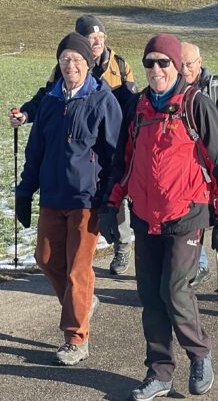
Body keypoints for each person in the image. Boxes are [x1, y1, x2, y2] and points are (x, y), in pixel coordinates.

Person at [98, 34, 218, 400]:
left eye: (164, 62)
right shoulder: (138, 107)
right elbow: (122, 162)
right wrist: (110, 206)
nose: (156, 69)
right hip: (146, 217)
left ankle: (199, 354)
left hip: (186, 214)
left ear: (177, 66)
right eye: (150, 63)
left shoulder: (196, 104)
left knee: (175, 290)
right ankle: (159, 372)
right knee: (150, 296)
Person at [14, 32, 121, 366]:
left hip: (87, 199)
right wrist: (24, 191)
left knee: (78, 269)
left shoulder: (103, 101)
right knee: (46, 259)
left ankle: (75, 339)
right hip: (52, 195)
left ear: (88, 64)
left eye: (76, 60)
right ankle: (84, 303)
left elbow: (116, 156)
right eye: (64, 60)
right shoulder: (50, 100)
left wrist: (111, 200)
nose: (70, 65)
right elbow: (35, 151)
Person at [11, 15, 137, 276]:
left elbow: (131, 101)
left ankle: (122, 246)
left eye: (101, 37)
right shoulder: (64, 67)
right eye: (92, 38)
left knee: (116, 201)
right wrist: (27, 113)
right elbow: (47, 97)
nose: (98, 42)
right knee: (55, 260)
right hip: (69, 160)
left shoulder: (120, 65)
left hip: (110, 138)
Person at [178, 41, 218, 289]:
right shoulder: (171, 88)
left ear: (199, 62)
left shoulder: (216, 87)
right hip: (181, 167)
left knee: (201, 214)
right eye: (180, 64)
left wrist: (209, 133)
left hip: (208, 166)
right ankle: (193, 264)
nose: (184, 70)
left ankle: (199, 264)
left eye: (189, 64)